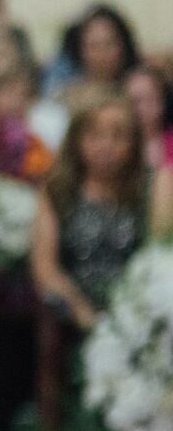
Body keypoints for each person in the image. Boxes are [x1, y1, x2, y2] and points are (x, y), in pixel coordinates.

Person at [30, 93, 152, 332]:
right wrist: (85, 315)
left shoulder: (149, 187)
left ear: (135, 142)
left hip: (138, 310)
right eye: (94, 135)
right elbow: (45, 268)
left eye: (119, 135)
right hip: (75, 314)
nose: (106, 146)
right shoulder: (57, 190)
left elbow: (159, 254)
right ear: (76, 139)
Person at [124, 64, 173, 171]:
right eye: (134, 101)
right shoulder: (119, 142)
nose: (142, 108)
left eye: (150, 99)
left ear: (163, 100)